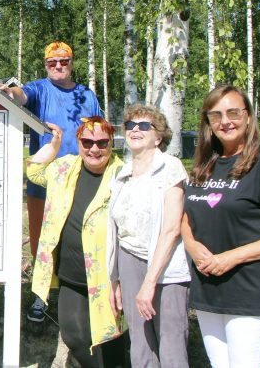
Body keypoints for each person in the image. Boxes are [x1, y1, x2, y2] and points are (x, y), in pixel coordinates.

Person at [181, 85, 260, 368]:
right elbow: (186, 216)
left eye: (233, 112)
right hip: (209, 288)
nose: (226, 121)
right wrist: (192, 245)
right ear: (208, 122)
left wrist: (231, 257)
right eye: (216, 115)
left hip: (249, 291)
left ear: (248, 117)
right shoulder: (204, 166)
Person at [0, 41, 102, 321]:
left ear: (71, 62)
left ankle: (76, 293)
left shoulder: (87, 96)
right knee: (41, 243)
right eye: (52, 62)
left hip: (80, 181)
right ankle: (40, 297)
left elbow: (99, 135)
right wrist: (8, 91)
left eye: (63, 61)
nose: (58, 66)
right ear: (46, 64)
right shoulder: (40, 88)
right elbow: (21, 95)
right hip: (43, 182)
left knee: (77, 241)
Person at [28, 116, 127, 367]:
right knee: (74, 336)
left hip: (108, 280)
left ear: (111, 143)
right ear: (79, 142)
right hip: (70, 276)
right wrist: (54, 145)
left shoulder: (123, 175)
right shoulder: (65, 168)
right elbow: (33, 170)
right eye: (88, 141)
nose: (95, 148)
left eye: (102, 142)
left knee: (111, 341)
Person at [107, 104, 189, 368]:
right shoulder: (122, 173)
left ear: (159, 136)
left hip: (165, 267)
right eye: (130, 125)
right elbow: (118, 231)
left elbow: (172, 228)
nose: (135, 130)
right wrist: (116, 280)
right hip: (129, 260)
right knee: (141, 344)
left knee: (171, 342)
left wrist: (149, 282)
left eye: (144, 126)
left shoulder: (170, 167)